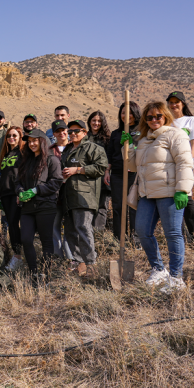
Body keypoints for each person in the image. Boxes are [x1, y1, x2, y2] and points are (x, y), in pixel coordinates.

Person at [122, 102, 194, 293]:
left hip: (169, 192)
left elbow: (184, 162)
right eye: (150, 117)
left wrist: (182, 189)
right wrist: (128, 147)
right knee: (142, 231)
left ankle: (176, 278)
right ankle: (158, 269)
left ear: (166, 116)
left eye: (158, 116)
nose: (154, 120)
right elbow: (132, 166)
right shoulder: (144, 140)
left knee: (173, 233)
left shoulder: (175, 135)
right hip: (147, 193)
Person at [60, 120, 109, 279]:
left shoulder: (93, 148)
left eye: (77, 131)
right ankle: (79, 264)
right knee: (70, 231)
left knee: (83, 228)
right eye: (70, 131)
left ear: (85, 132)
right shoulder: (67, 149)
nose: (73, 134)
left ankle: (91, 265)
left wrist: (78, 170)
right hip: (68, 196)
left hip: (84, 196)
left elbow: (101, 167)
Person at [16, 129, 63, 285]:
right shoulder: (26, 161)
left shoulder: (52, 160)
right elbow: (18, 182)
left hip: (46, 205)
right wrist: (20, 191)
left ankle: (46, 274)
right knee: (26, 239)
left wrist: (37, 190)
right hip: (27, 207)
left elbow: (56, 182)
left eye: (35, 141)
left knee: (46, 241)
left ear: (42, 141)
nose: (32, 144)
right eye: (29, 142)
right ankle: (34, 273)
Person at [166, 91, 194, 249]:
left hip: (183, 166)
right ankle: (181, 237)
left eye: (176, 102)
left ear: (183, 103)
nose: (174, 105)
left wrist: (187, 161)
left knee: (186, 199)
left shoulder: (191, 121)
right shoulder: (166, 123)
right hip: (168, 167)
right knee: (171, 200)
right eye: (171, 102)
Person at [104, 102, 142, 245]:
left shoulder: (142, 131)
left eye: (130, 112)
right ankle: (119, 238)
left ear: (136, 113)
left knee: (134, 206)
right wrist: (107, 171)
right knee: (118, 206)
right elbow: (110, 153)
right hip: (118, 174)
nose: (126, 116)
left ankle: (136, 239)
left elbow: (143, 150)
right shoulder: (116, 133)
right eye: (123, 112)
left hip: (135, 173)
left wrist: (132, 145)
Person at [0, 126, 24, 266]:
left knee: (15, 223)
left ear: (20, 137)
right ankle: (16, 255)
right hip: (5, 194)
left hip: (16, 193)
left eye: (14, 135)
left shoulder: (22, 153)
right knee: (11, 224)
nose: (11, 138)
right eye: (9, 136)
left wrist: (21, 191)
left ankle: (19, 256)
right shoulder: (6, 154)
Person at [49, 120, 74, 262]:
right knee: (54, 226)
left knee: (70, 226)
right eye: (58, 131)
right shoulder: (49, 150)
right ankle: (58, 257)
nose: (61, 133)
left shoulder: (74, 147)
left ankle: (70, 259)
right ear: (54, 134)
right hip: (55, 194)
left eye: (63, 130)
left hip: (71, 193)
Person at [86, 111, 112, 232]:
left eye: (99, 121)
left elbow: (109, 158)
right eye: (94, 120)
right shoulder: (84, 137)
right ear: (89, 122)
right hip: (87, 177)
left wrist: (107, 171)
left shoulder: (108, 139)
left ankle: (98, 234)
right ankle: (87, 233)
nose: (96, 123)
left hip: (102, 177)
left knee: (101, 206)